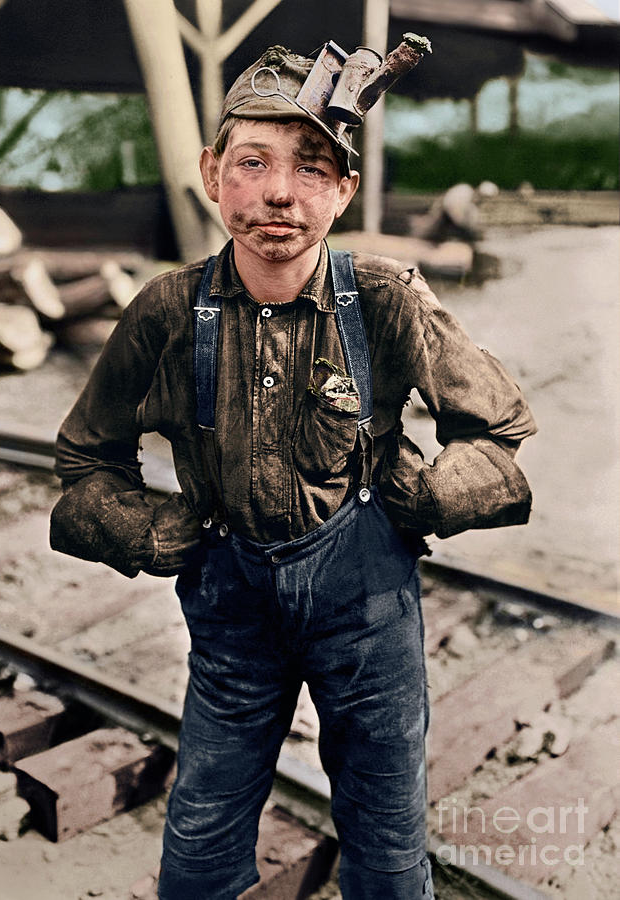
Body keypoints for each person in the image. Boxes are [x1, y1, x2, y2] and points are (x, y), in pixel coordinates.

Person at [50, 39, 536, 900]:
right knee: (199, 848)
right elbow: (85, 460)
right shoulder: (168, 311)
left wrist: (430, 493)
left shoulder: (385, 298)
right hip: (231, 612)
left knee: (386, 849)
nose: (279, 191)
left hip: (365, 606)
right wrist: (145, 527)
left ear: (343, 189)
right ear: (211, 173)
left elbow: (497, 434)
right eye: (252, 162)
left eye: (312, 168)